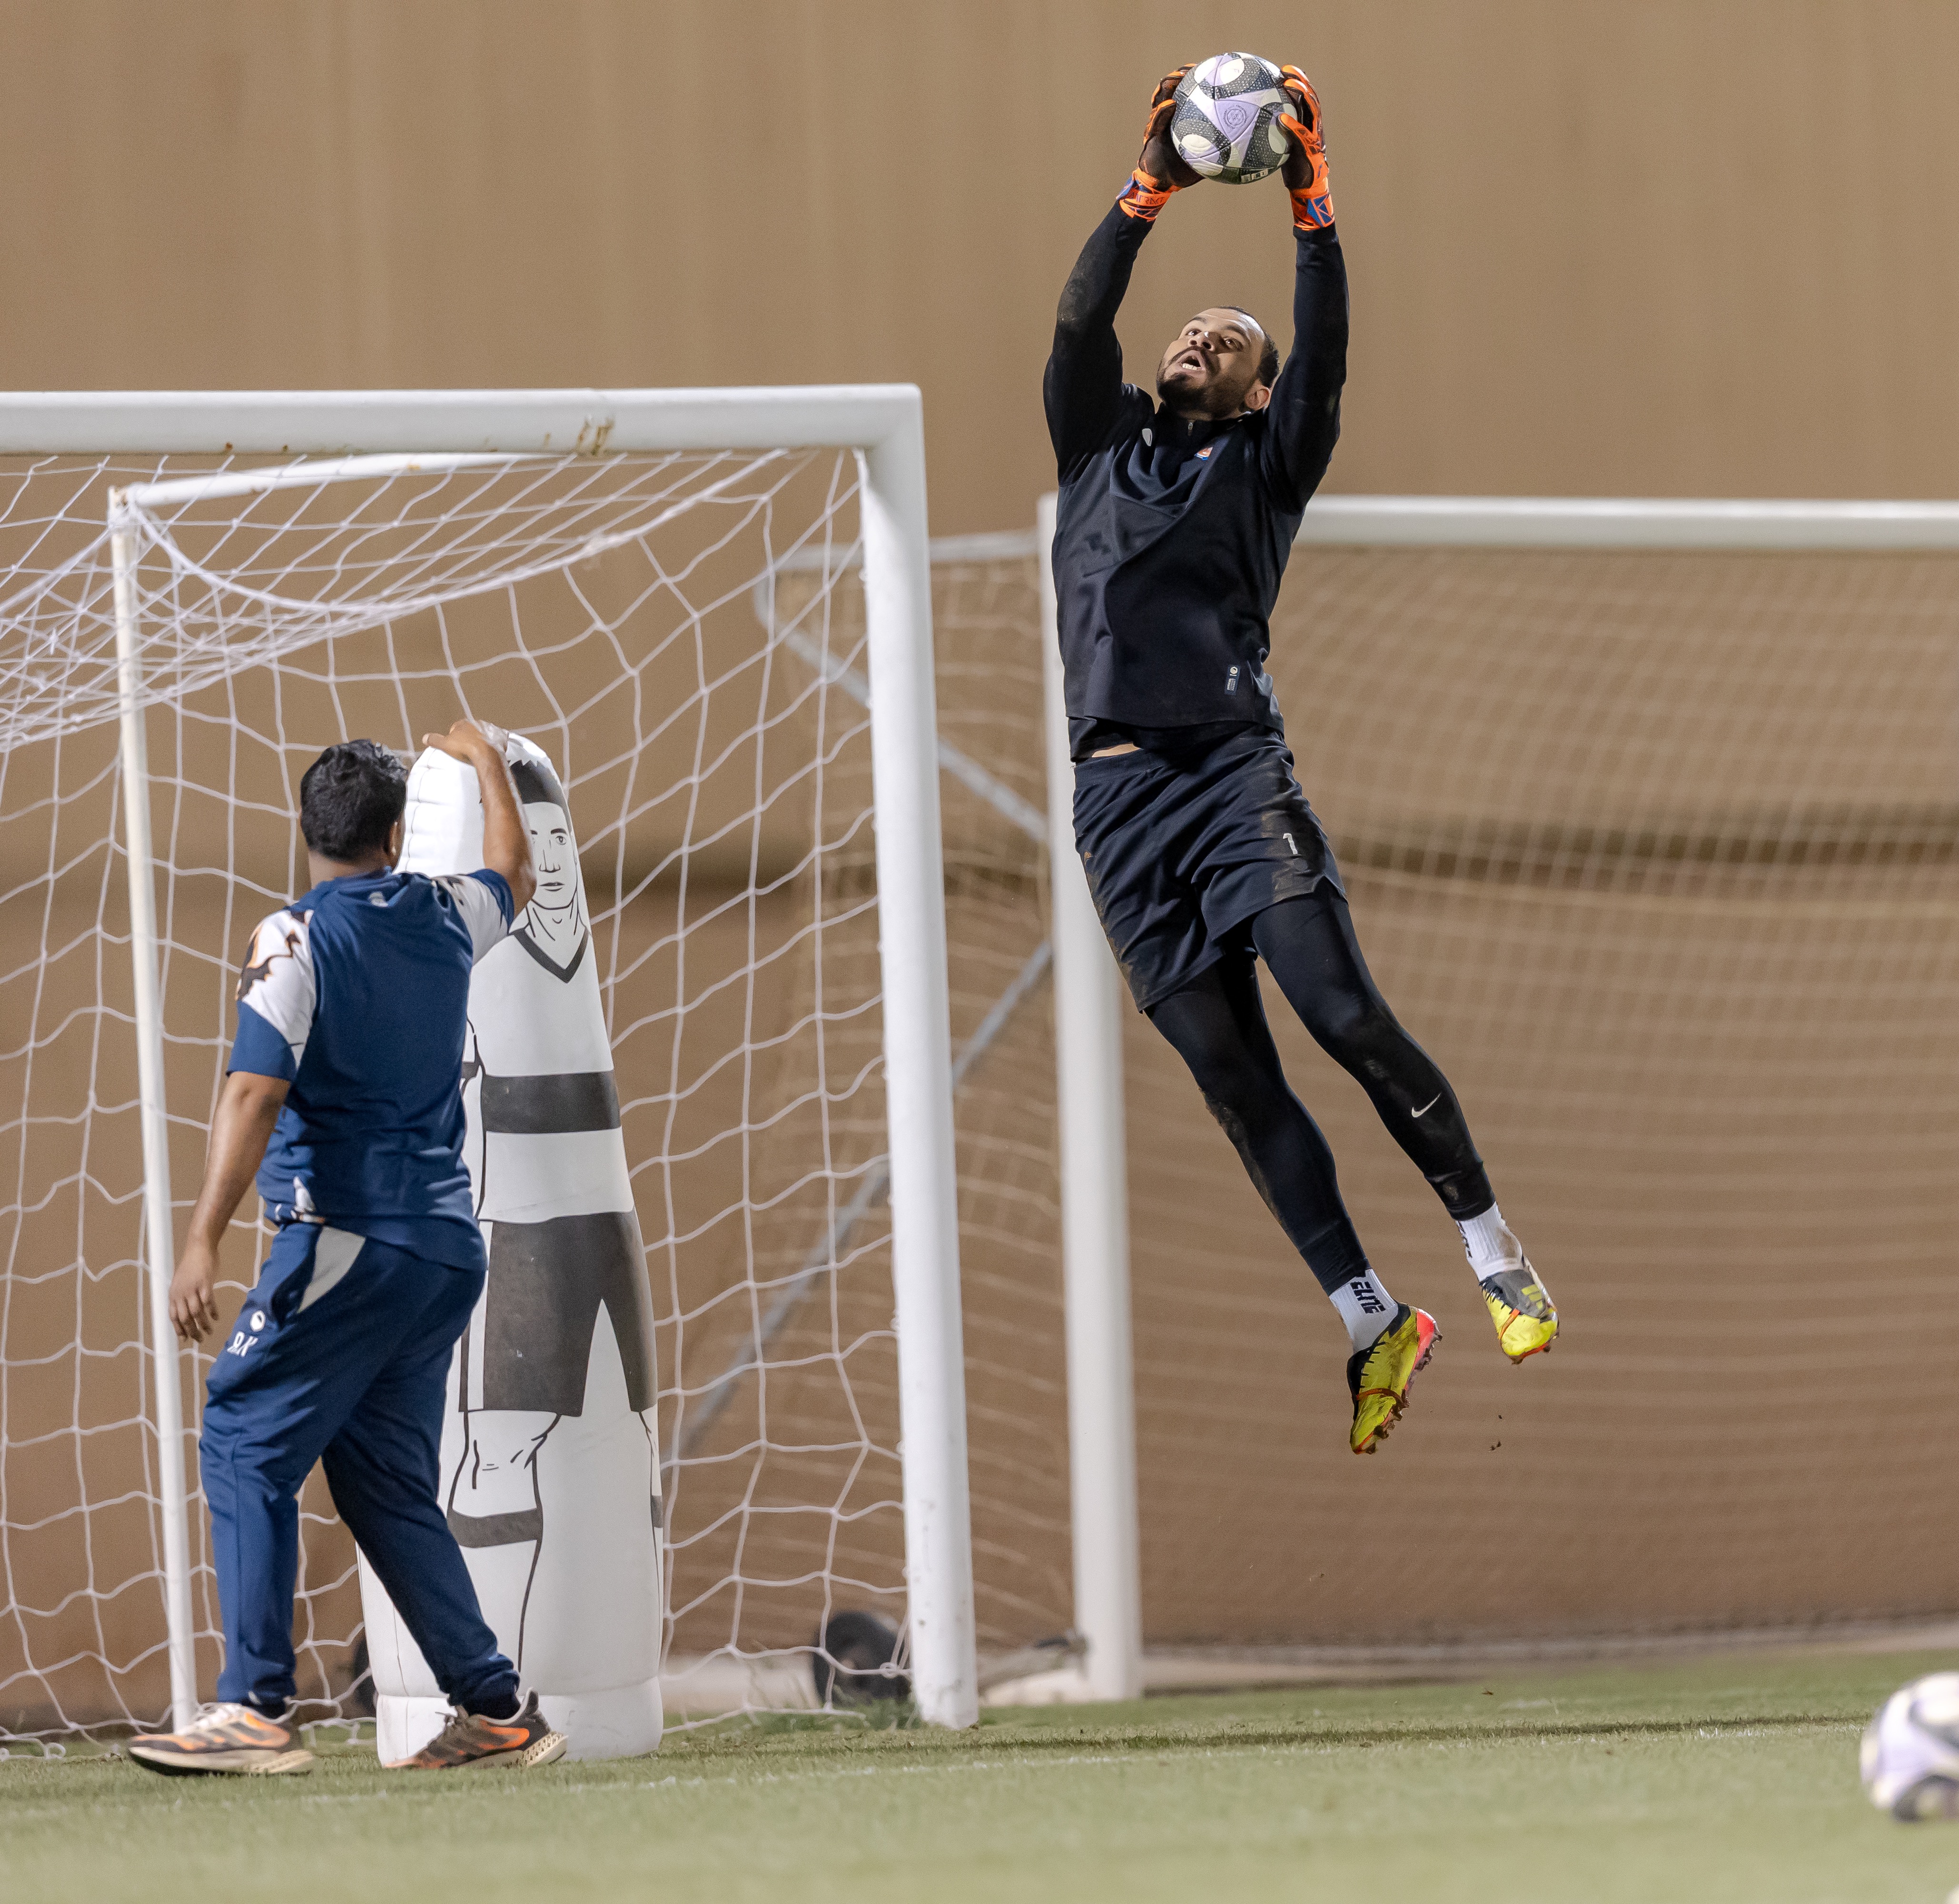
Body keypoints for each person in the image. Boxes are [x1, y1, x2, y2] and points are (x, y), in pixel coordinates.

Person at [1046, 64, 1558, 1457]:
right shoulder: (1094, 446)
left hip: (1228, 776)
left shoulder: (1262, 466)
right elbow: (1082, 315)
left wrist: (1308, 203)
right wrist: (1144, 183)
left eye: (1230, 336)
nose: (1200, 337)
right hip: (1112, 803)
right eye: (1193, 327)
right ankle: (1369, 1318)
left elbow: (1324, 355)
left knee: (1338, 1013)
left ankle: (1492, 1244)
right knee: (1230, 1077)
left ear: (1258, 390)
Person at [127, 721, 568, 1775]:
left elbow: (252, 1087)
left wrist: (201, 1239)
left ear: (307, 829)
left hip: (346, 1239)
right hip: (443, 1252)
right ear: (396, 832)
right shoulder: (448, 910)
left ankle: (254, 1706)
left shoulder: (292, 936)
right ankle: (499, 1707)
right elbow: (513, 868)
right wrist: (490, 765)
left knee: (241, 1435)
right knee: (381, 1483)